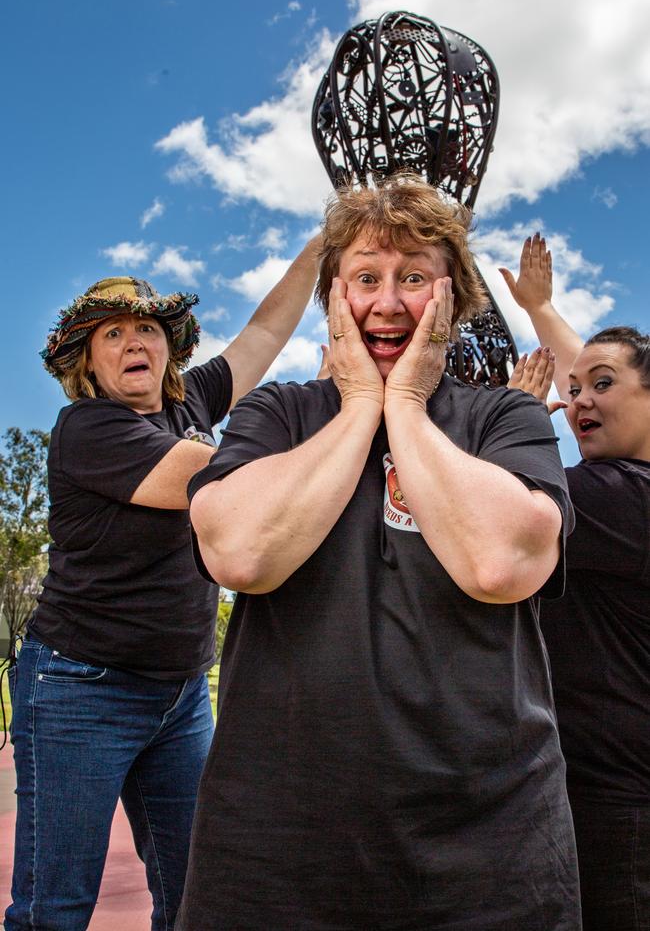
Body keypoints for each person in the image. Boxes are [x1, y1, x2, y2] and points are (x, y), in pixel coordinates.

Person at [176, 175, 581, 931]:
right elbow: (239, 552)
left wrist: (404, 407)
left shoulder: (507, 420)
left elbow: (502, 564)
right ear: (334, 299)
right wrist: (361, 404)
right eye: (365, 278)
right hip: (276, 848)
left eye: (415, 279)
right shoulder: (278, 413)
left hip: (488, 847)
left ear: (453, 301)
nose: (388, 303)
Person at [5, 237, 321, 931]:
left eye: (146, 328)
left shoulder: (191, 403)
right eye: (110, 334)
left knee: (196, 897)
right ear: (86, 361)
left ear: (167, 347)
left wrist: (323, 251)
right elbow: (212, 480)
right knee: (53, 909)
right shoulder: (87, 429)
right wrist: (348, 416)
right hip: (80, 688)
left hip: (179, 695)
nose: (131, 342)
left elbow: (265, 332)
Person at [502, 233, 650, 931]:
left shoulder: (617, 496)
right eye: (575, 387)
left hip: (617, 809)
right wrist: (540, 308)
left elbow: (498, 500)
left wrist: (510, 419)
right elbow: (596, 373)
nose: (580, 399)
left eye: (602, 388)